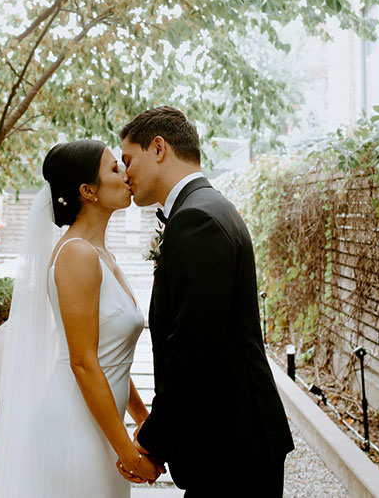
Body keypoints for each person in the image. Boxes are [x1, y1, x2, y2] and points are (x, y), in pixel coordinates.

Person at [118, 106, 294, 496]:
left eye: (128, 159)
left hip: (232, 445)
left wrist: (152, 439)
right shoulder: (206, 208)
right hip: (230, 439)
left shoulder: (197, 220)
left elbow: (194, 348)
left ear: (158, 148)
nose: (125, 173)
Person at [0, 139, 162, 498]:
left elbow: (110, 357)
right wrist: (127, 453)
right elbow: (83, 362)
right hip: (76, 428)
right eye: (115, 169)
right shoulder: (77, 255)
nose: (126, 174)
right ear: (87, 191)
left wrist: (143, 420)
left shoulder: (102, 255)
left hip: (102, 428)